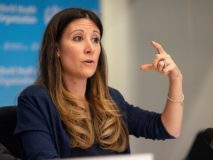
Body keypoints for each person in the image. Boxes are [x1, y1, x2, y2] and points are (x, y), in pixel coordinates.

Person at [15, 8, 184, 160]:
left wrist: (175, 79)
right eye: (78, 38)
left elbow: (168, 129)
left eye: (95, 39)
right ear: (57, 49)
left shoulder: (111, 98)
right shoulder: (36, 100)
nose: (90, 48)